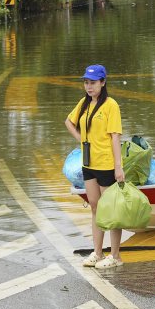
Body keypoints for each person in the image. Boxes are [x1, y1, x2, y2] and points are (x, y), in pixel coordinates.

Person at [65, 64, 125, 269]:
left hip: (107, 164)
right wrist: (81, 140)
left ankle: (115, 256)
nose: (89, 87)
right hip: (88, 164)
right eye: (86, 82)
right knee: (95, 208)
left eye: (93, 83)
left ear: (103, 82)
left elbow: (115, 136)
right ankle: (98, 253)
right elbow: (68, 122)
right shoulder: (84, 103)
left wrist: (118, 167)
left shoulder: (111, 105)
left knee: (111, 211)